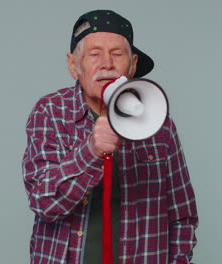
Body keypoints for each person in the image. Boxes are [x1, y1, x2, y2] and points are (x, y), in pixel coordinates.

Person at [22, 10, 198, 264]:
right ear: (74, 65)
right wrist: (90, 151)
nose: (107, 64)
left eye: (117, 54)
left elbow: (182, 215)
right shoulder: (50, 112)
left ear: (133, 64)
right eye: (94, 54)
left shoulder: (160, 125)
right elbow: (43, 202)